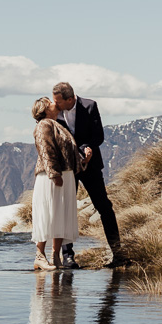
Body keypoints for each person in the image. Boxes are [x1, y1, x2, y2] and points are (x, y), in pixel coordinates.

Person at [50, 82, 123, 268]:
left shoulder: (90, 106)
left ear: (70, 99)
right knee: (66, 209)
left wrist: (87, 148)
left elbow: (98, 135)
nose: (55, 104)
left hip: (90, 166)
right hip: (67, 168)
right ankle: (68, 257)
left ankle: (118, 254)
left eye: (58, 101)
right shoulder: (54, 112)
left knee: (104, 206)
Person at [29, 96, 80, 270]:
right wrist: (54, 174)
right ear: (44, 108)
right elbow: (46, 150)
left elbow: (66, 152)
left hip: (64, 174)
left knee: (60, 214)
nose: (54, 103)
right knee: (48, 213)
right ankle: (40, 256)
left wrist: (83, 161)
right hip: (52, 176)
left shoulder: (57, 125)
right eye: (50, 102)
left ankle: (55, 256)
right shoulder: (44, 125)